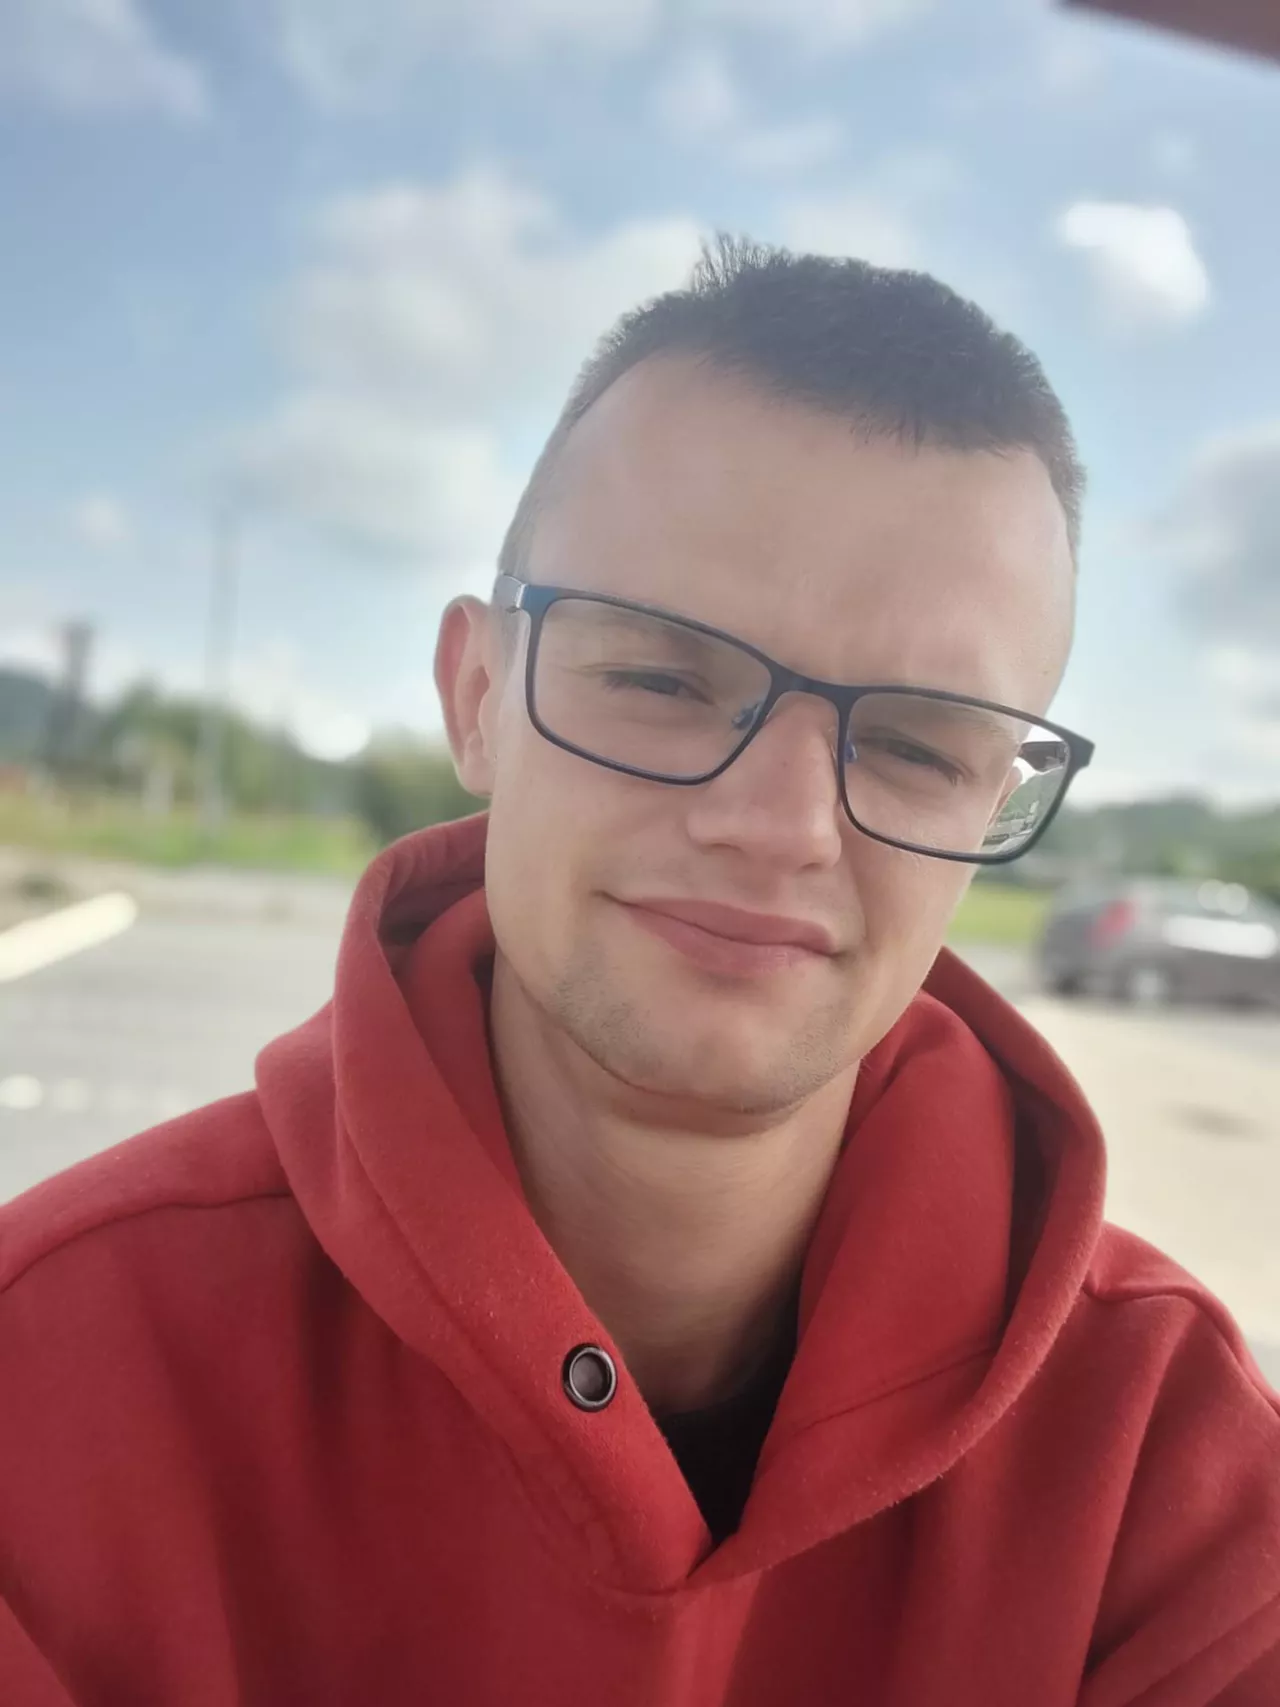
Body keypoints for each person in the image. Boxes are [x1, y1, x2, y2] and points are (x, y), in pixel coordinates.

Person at [1, 239, 1277, 1707]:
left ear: (995, 801)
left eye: (918, 745)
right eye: (664, 679)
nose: (779, 825)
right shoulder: (48, 1381)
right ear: (479, 697)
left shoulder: (1176, 1482)